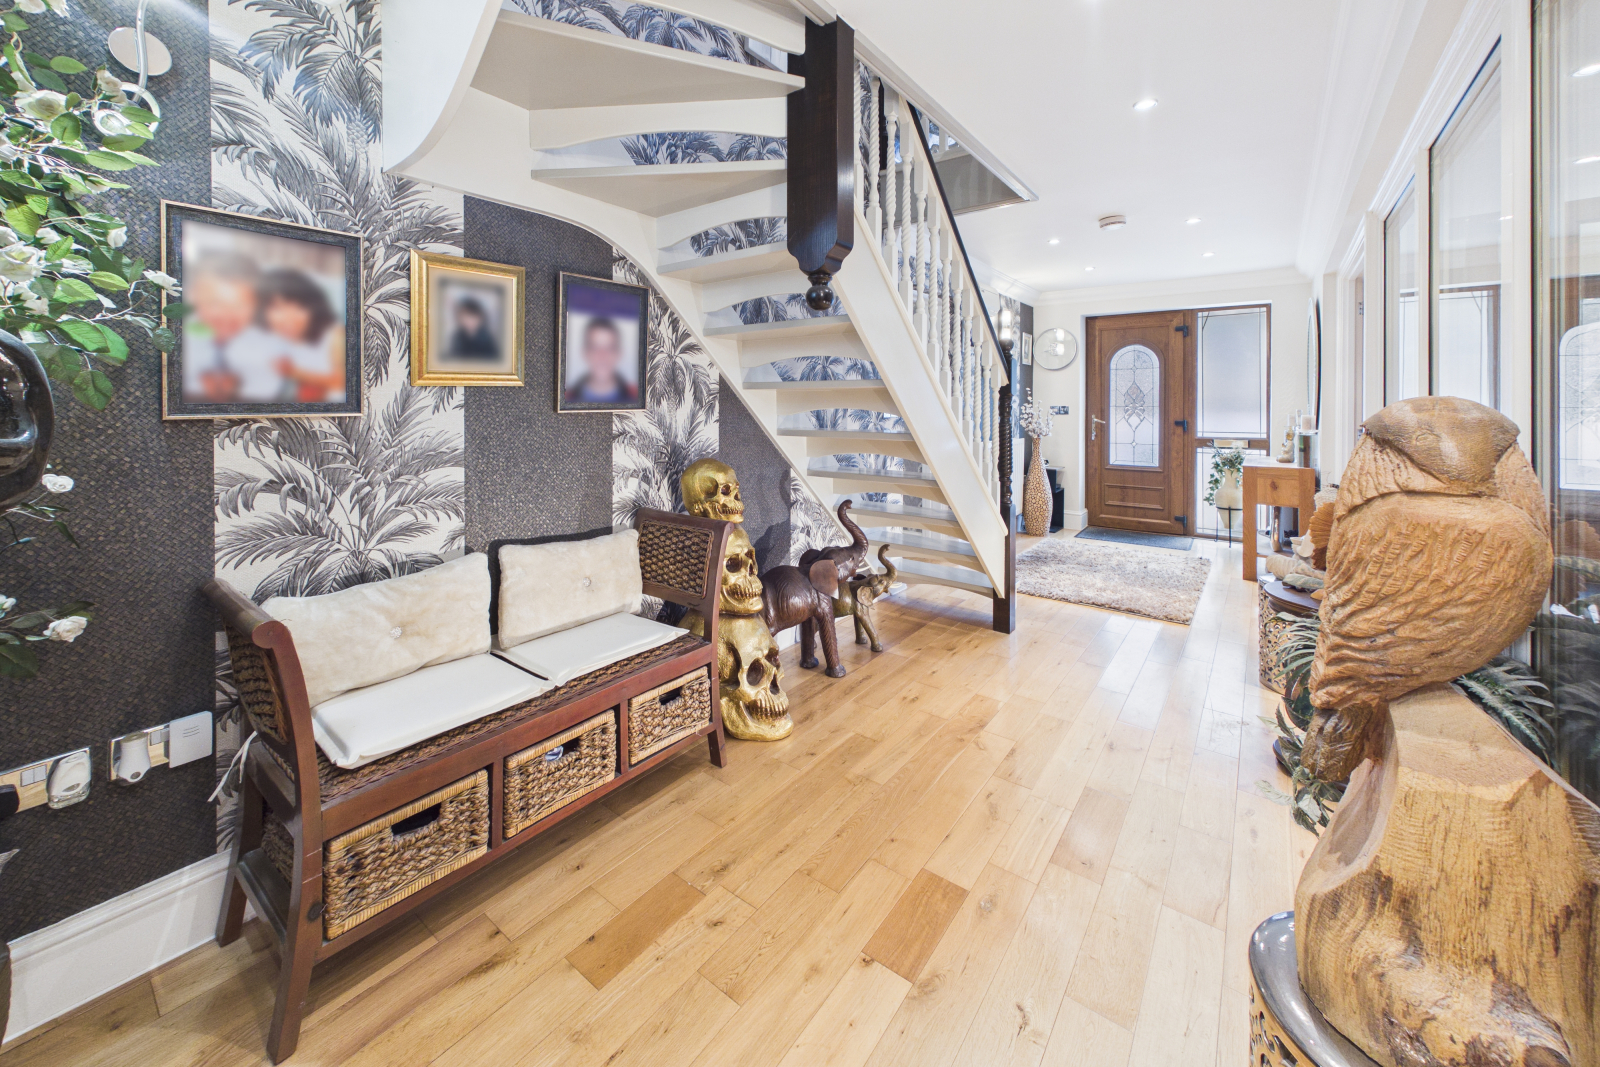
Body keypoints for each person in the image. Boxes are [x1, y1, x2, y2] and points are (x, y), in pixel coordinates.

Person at [181, 254, 287, 404]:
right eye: (215, 303)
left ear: (256, 304)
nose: (227, 314)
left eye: (240, 304)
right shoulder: (177, 338)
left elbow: (265, 392)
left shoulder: (268, 347)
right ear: (193, 297)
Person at [260, 268, 345, 403]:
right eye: (278, 307)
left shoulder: (335, 335)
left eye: (299, 307)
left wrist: (293, 372)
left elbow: (344, 382)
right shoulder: (272, 341)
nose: (289, 317)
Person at [564, 316, 638, 406]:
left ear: (619, 353)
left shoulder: (637, 396)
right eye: (595, 348)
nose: (602, 356)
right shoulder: (566, 398)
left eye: (610, 348)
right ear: (585, 353)